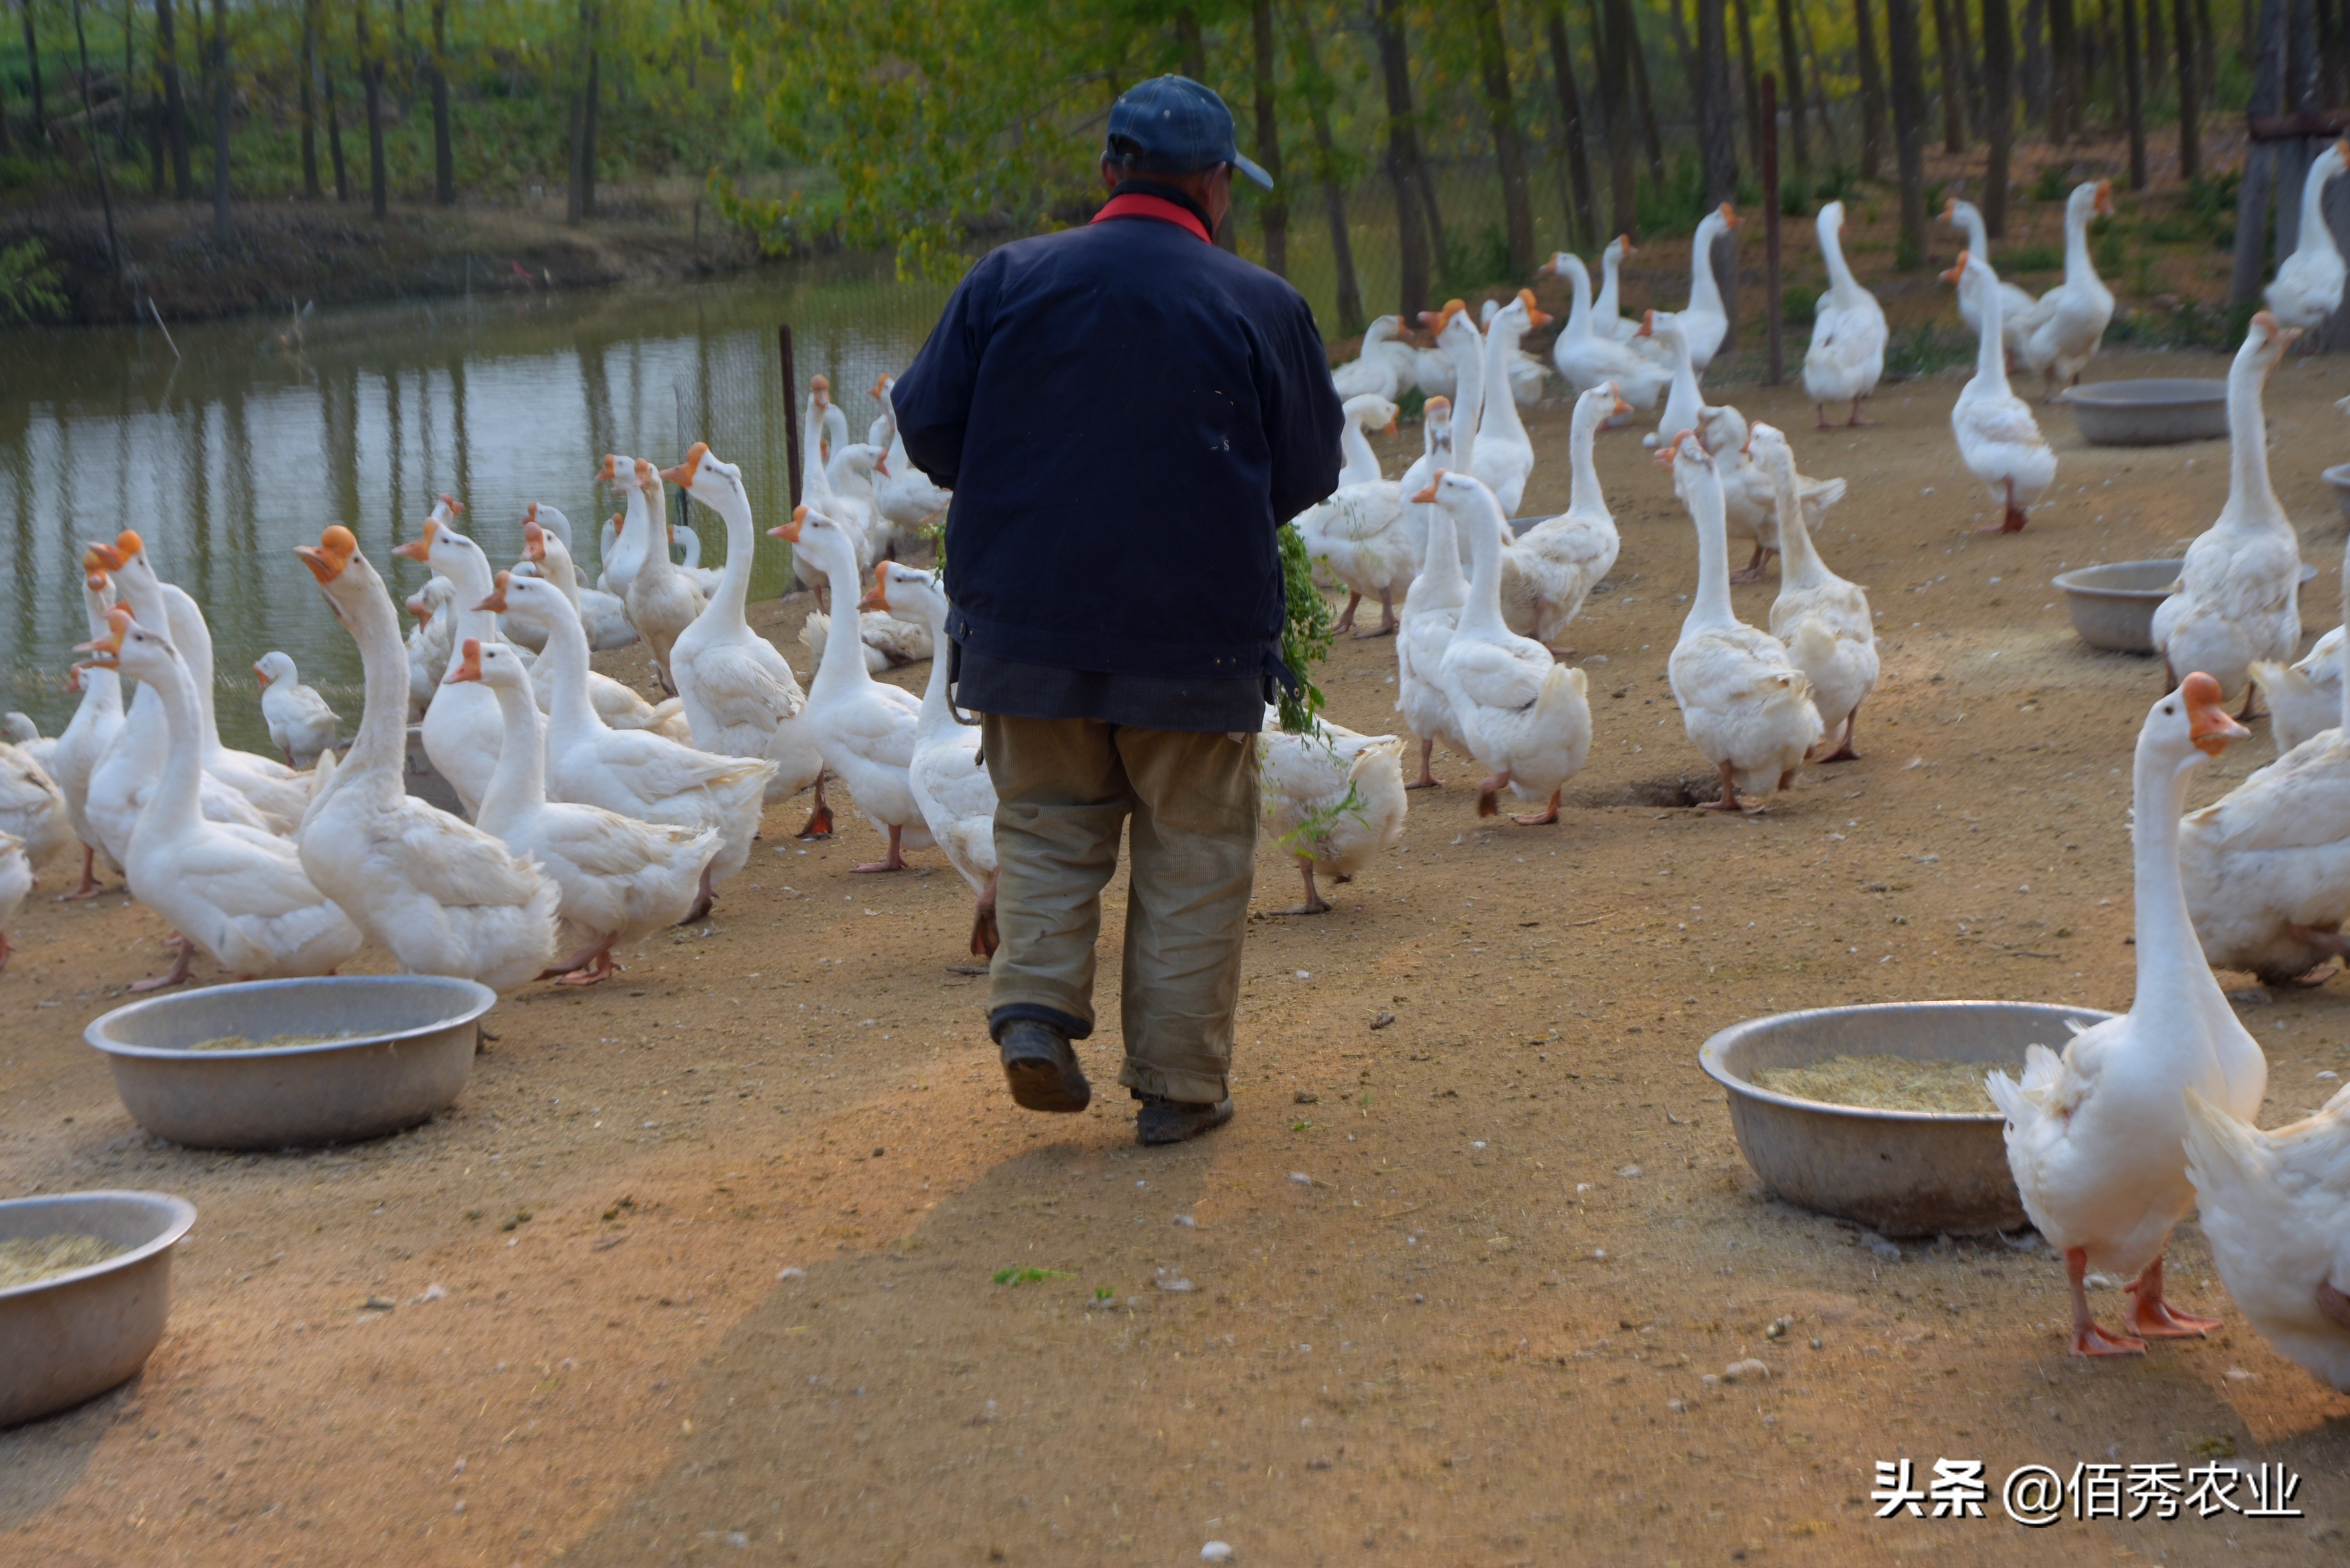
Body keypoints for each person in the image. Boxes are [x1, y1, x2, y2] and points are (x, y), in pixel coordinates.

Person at [890, 75, 1343, 1146]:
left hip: (1028, 633)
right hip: (1196, 641)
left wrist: (1031, 487)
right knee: (1193, 849)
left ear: (1108, 173)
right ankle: (1179, 1088)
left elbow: (927, 435)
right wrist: (1204, 512)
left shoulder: (1007, 280)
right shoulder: (1260, 304)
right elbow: (1309, 469)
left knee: (1046, 825)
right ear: (1218, 187)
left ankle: (1036, 1013)